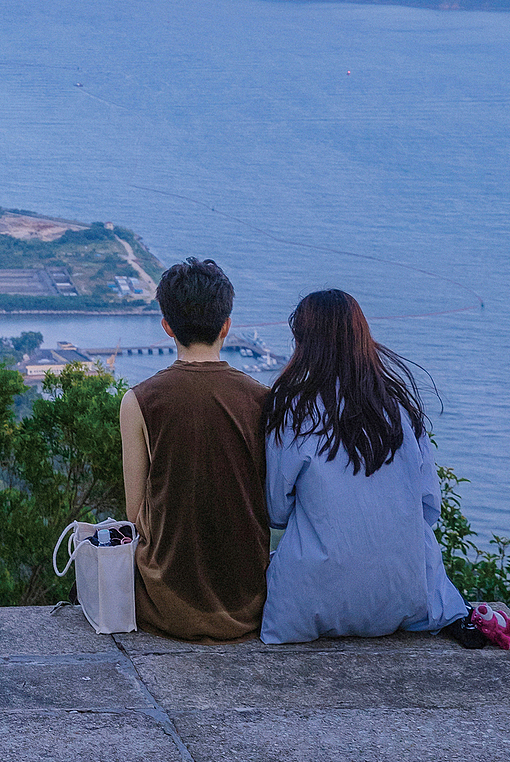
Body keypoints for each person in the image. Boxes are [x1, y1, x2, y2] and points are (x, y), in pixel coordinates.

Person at [260, 289, 468, 644]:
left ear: (304, 343)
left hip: (310, 599)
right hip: (404, 594)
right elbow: (429, 506)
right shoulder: (401, 411)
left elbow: (277, 511)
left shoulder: (293, 411)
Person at [119, 256, 270, 641]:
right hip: (248, 605)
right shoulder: (264, 400)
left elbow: (134, 516)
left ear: (167, 326)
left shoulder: (138, 400)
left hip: (165, 604)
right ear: (226, 326)